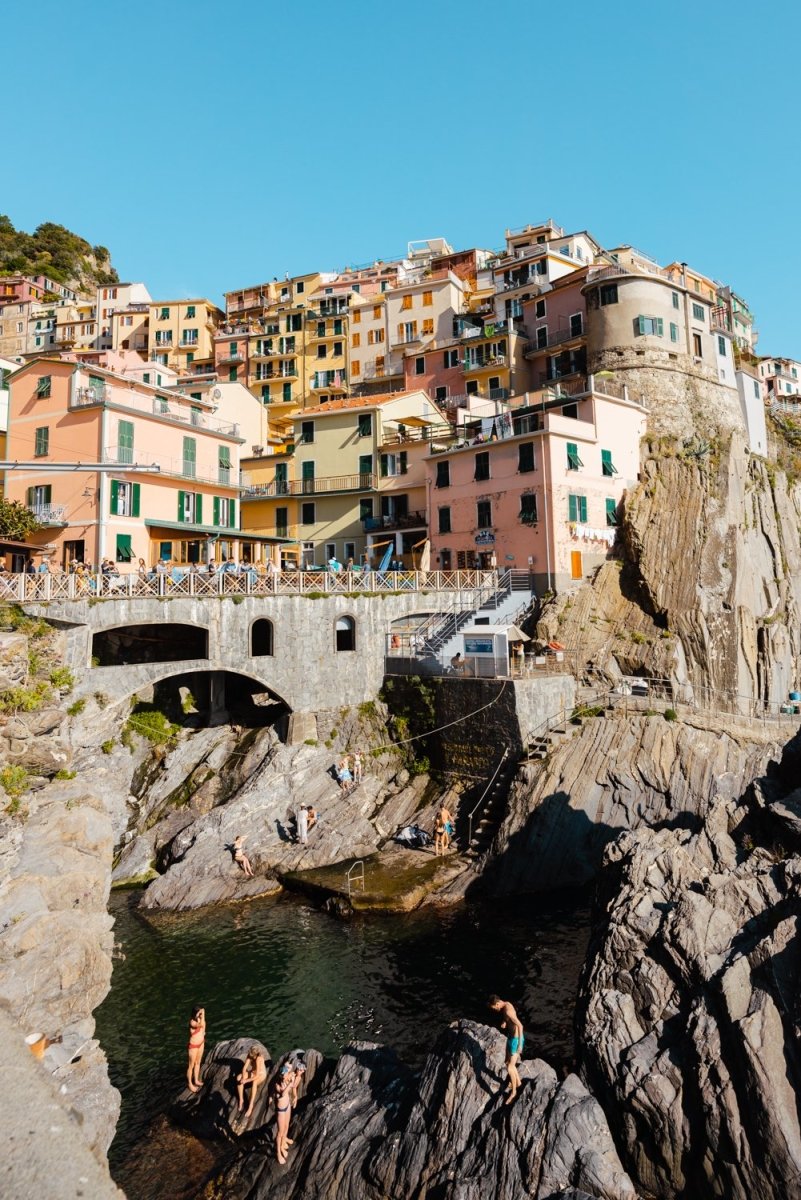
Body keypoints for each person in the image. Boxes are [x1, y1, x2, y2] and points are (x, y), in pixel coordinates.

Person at [488, 995, 524, 1104]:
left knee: (510, 1067)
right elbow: (508, 1018)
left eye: (494, 1008)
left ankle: (514, 1093)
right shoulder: (506, 1004)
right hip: (510, 1037)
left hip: (516, 1040)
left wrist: (520, 1045)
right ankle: (518, 1083)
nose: (495, 1010)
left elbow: (520, 1025)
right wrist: (505, 1021)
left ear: (497, 1003)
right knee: (507, 1062)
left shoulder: (508, 1011)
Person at [271, 1064, 296, 1163]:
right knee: (280, 1132)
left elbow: (293, 1084)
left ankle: (283, 1144)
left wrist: (293, 1078)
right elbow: (283, 1093)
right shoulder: (277, 1085)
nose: (287, 1075)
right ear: (281, 1075)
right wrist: (290, 1083)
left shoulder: (287, 1080)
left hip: (287, 1106)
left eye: (287, 1073)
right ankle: (278, 1152)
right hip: (281, 1110)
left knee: (286, 1126)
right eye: (285, 1074)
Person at [236, 1045, 268, 1118]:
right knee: (239, 1077)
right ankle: (241, 1099)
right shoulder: (250, 1055)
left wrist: (246, 1081)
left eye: (252, 1055)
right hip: (253, 1072)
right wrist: (243, 1077)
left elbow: (256, 1075)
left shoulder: (259, 1058)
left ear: (256, 1054)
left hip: (260, 1074)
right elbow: (244, 1068)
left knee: (254, 1082)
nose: (250, 1056)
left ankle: (251, 1106)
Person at [187, 1004, 206, 1092]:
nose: (201, 1014)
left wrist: (203, 1034)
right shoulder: (192, 1022)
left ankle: (196, 1080)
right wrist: (203, 1015)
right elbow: (201, 1024)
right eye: (199, 1012)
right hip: (193, 1046)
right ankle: (190, 1083)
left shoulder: (200, 1019)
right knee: (191, 1065)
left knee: (198, 1063)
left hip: (201, 1044)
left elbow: (204, 1026)